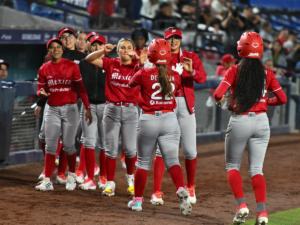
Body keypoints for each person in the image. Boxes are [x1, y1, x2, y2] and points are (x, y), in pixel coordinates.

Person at [214, 31, 287, 224]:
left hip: (241, 120)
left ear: (240, 48)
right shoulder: (267, 72)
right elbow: (282, 99)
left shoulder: (234, 70)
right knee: (256, 170)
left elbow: (217, 94)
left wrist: (224, 100)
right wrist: (264, 102)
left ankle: (242, 205)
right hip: (262, 122)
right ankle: (262, 213)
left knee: (232, 166)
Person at [127, 38, 192, 215]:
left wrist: (142, 66)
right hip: (170, 119)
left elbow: (130, 84)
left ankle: (138, 201)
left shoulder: (144, 73)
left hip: (148, 119)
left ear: (150, 55)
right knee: (173, 161)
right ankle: (180, 188)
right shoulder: (175, 75)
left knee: (142, 163)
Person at [151, 27, 207, 205]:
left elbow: (202, 79)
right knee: (163, 150)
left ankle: (190, 186)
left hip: (185, 105)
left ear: (181, 39)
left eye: (176, 38)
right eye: (170, 38)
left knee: (190, 151)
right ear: (165, 40)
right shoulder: (160, 54)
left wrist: (191, 72)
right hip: (167, 103)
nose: (173, 41)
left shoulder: (190, 56)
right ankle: (156, 191)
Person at [85, 38, 142, 197]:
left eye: (128, 47)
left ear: (133, 49)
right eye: (122, 47)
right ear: (118, 50)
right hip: (111, 109)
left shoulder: (138, 66)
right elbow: (88, 59)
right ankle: (110, 183)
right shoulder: (111, 63)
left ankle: (130, 178)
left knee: (130, 150)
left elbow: (155, 69)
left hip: (130, 110)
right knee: (110, 150)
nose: (125, 50)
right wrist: (104, 50)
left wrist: (140, 59)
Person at [35, 38, 92, 191]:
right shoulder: (43, 69)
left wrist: (87, 107)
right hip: (52, 109)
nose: (56, 49)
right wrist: (41, 93)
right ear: (49, 51)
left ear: (62, 49)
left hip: (70, 109)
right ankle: (47, 180)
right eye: (52, 47)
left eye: (58, 47)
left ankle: (72, 175)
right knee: (50, 146)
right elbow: (39, 89)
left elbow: (81, 88)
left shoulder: (72, 66)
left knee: (68, 145)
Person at [75, 35, 108, 190]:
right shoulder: (82, 63)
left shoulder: (110, 63)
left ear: (104, 46)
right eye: (93, 44)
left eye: (99, 44)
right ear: (89, 46)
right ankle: (90, 178)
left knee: (104, 144)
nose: (96, 47)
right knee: (88, 142)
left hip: (106, 106)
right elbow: (80, 87)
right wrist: (86, 106)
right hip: (88, 106)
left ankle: (103, 177)